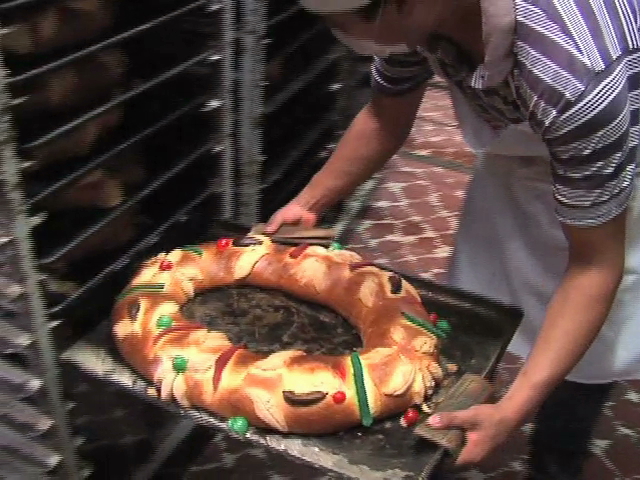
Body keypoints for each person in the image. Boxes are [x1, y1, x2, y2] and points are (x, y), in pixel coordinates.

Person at [264, 0, 640, 478]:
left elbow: (594, 266)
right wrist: (309, 204)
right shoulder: (412, 22)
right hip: (524, 161)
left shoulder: (572, 69)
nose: (340, 32)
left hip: (622, 169)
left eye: (350, 17)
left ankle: (555, 458)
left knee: (584, 359)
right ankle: (450, 428)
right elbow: (385, 117)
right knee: (480, 320)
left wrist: (513, 410)